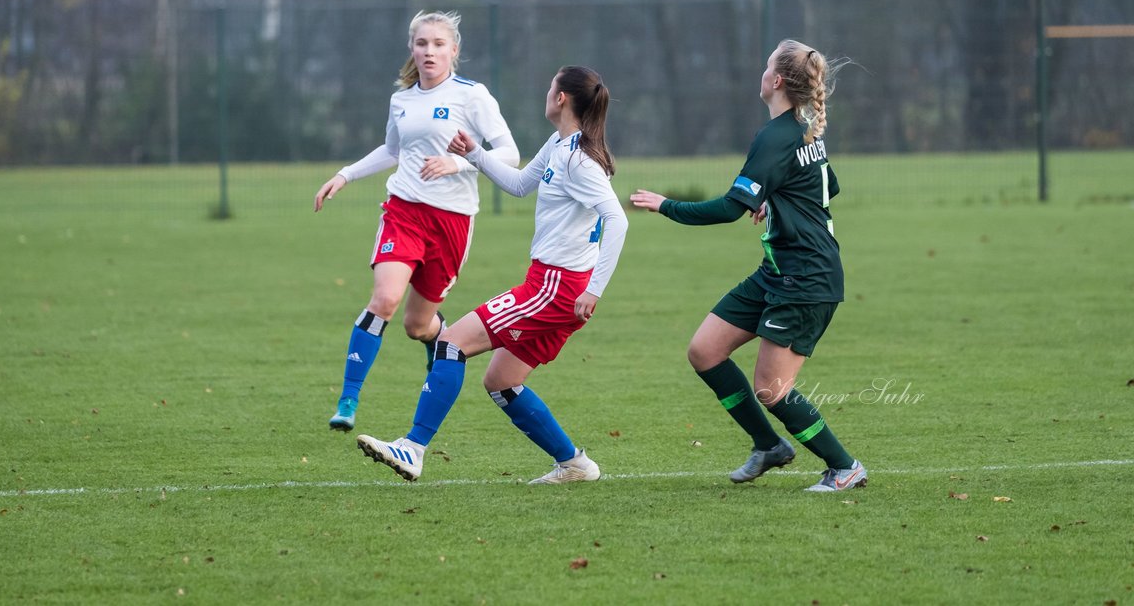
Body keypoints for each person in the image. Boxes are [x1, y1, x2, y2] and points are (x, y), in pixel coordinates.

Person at [355, 65, 628, 484]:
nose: (547, 87)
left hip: (557, 287)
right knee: (502, 380)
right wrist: (475, 154)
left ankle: (412, 447)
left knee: (449, 343)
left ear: (562, 99)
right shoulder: (561, 144)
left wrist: (595, 289)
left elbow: (617, 220)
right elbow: (520, 184)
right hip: (554, 284)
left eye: (551, 82)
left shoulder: (579, 159)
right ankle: (574, 464)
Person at [630, 40, 866, 493]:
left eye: (766, 67)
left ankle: (844, 467)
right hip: (778, 271)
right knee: (705, 351)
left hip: (806, 279)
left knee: (770, 389)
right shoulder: (803, 126)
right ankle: (769, 446)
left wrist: (667, 205)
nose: (761, 73)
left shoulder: (777, 134)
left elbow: (727, 209)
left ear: (776, 81)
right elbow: (824, 186)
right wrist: (774, 203)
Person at [314, 11, 519, 432]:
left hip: (452, 223)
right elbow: (392, 150)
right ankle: (348, 400)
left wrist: (457, 163)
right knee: (385, 299)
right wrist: (344, 174)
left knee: (417, 325)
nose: (429, 51)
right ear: (412, 48)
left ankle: (435, 340)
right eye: (422, 43)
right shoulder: (402, 99)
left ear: (453, 51)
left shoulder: (472, 95)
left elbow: (510, 153)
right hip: (404, 211)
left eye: (439, 44)